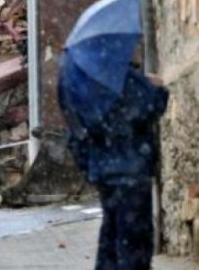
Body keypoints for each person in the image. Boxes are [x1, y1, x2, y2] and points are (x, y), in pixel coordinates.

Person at [58, 51, 169, 270]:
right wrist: (156, 87)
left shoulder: (82, 85)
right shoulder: (120, 76)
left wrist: (91, 166)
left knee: (111, 235)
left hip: (106, 173)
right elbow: (150, 106)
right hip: (130, 171)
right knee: (133, 239)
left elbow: (76, 136)